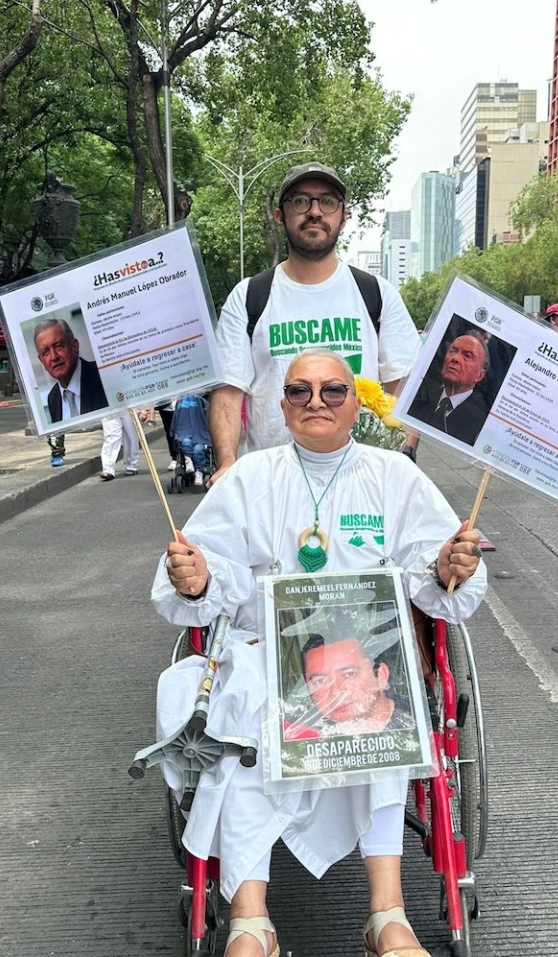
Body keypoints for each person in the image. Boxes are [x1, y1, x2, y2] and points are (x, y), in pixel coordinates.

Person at [153, 349, 486, 957]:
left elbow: (436, 573)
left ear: (354, 403)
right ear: (281, 406)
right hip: (266, 655)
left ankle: (388, 915)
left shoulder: (394, 475)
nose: (316, 402)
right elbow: (204, 571)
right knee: (246, 697)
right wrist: (194, 576)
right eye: (300, 391)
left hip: (359, 657)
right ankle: (251, 921)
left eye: (332, 391)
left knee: (380, 700)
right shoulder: (250, 478)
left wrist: (445, 568)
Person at [208, 162, 421, 482]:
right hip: (273, 484)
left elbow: (404, 387)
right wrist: (227, 463)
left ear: (344, 216)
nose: (315, 211)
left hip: (362, 481)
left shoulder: (376, 294)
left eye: (328, 201)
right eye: (300, 201)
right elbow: (228, 391)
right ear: (280, 216)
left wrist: (403, 454)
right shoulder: (249, 296)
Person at [284, 630, 415, 740]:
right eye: (320, 681)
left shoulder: (422, 727)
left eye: (349, 674)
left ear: (380, 676)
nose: (336, 691)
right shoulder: (300, 737)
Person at [407, 332, 490, 445]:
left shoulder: (482, 424)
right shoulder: (419, 397)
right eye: (452, 351)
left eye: (467, 356)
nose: (455, 358)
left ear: (479, 375)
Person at [33, 318, 108, 423]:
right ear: (42, 361)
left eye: (58, 346)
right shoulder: (53, 398)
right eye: (46, 352)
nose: (54, 357)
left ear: (74, 347)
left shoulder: (104, 377)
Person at [169, 393, 212, 487]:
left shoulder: (201, 401)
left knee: (198, 450)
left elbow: (208, 413)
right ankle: (188, 461)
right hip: (185, 431)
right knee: (186, 442)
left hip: (199, 433)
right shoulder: (180, 401)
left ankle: (199, 472)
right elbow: (176, 416)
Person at [99, 414, 139, 480]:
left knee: (131, 435)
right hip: (109, 407)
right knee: (111, 436)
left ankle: (131, 465)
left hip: (128, 406)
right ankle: (108, 469)